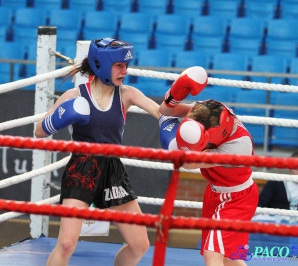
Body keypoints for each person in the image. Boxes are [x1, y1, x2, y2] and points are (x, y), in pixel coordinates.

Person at [35, 38, 162, 266]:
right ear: (102, 64)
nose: (125, 71)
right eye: (119, 65)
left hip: (112, 170)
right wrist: (57, 119)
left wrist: (186, 113)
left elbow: (159, 111)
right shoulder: (74, 96)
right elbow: (38, 131)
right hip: (82, 168)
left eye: (125, 65)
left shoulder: (127, 94)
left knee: (139, 245)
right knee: (66, 244)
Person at [158, 68, 259, 266]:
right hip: (215, 194)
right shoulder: (205, 112)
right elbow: (166, 111)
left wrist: (170, 136)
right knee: (228, 258)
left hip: (236, 199)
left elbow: (188, 163)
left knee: (212, 254)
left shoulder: (238, 147)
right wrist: (175, 94)